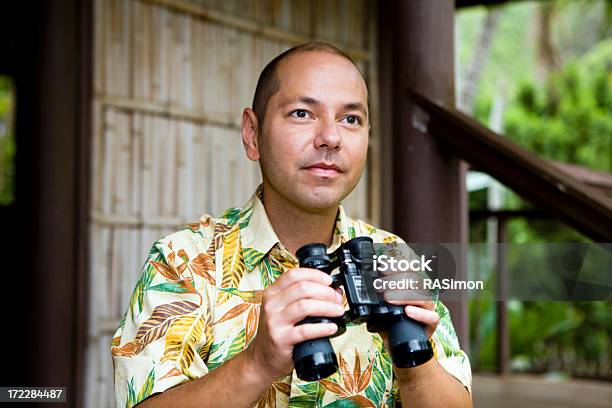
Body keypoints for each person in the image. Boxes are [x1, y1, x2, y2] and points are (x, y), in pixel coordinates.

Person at [111, 42, 472, 408]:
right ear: (253, 134)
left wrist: (415, 365)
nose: (330, 138)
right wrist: (257, 363)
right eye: (302, 113)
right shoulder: (184, 260)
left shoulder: (390, 256)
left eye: (351, 119)